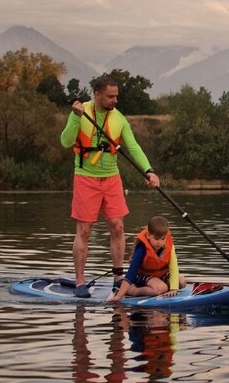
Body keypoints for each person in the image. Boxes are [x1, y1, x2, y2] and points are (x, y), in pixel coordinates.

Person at [62, 74, 160, 291]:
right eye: (110, 96)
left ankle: (118, 279)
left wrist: (149, 171)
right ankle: (80, 282)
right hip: (85, 178)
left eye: (116, 96)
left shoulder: (119, 119)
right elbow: (65, 141)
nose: (115, 100)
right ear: (97, 94)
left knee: (118, 227)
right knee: (85, 230)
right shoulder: (80, 112)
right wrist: (76, 118)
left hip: (112, 179)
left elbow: (133, 147)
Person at [106, 214, 182, 303]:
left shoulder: (169, 245)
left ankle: (159, 286)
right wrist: (119, 296)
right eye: (156, 239)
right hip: (141, 275)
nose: (159, 242)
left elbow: (173, 267)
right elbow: (131, 272)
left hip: (158, 276)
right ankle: (132, 290)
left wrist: (174, 289)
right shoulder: (142, 248)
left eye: (162, 239)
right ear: (149, 235)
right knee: (161, 288)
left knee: (181, 281)